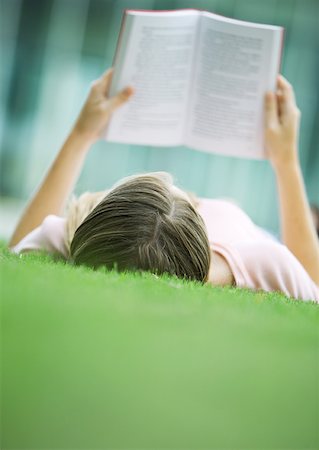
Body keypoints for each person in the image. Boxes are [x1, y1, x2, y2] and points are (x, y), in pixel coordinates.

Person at [9, 68, 319, 302]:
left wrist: (81, 134)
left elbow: (20, 247)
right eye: (189, 200)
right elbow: (313, 283)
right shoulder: (261, 259)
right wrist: (286, 160)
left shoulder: (67, 236)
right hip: (260, 233)